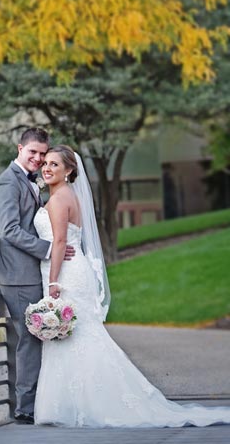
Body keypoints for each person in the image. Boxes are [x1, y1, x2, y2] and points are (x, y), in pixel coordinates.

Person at [34, 144, 230, 428]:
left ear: (69, 170)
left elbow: (61, 242)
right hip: (75, 271)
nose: (47, 168)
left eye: (54, 164)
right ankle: (78, 402)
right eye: (46, 163)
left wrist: (53, 282)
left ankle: (77, 405)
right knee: (78, 335)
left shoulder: (57, 200)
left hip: (64, 275)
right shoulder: (69, 196)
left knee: (73, 336)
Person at [0, 128, 75, 425]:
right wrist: (49, 249)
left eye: (43, 153)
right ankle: (25, 408)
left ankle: (38, 402)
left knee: (37, 337)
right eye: (33, 153)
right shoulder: (6, 183)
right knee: (29, 338)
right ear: (20, 148)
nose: (39, 159)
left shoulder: (31, 183)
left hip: (30, 273)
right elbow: (8, 230)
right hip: (17, 276)